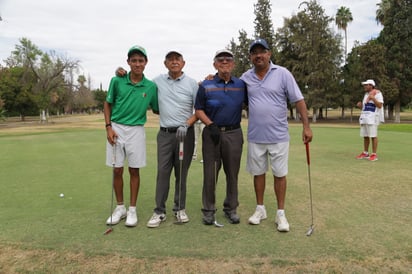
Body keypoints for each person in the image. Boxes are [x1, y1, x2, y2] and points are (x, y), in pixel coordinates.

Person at [116, 50, 199, 228]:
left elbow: (198, 111)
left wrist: (187, 123)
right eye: (170, 60)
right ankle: (159, 211)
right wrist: (121, 72)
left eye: (177, 59)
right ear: (165, 64)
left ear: (183, 63)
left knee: (181, 173)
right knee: (163, 173)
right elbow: (139, 83)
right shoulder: (156, 82)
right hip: (165, 134)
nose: (174, 62)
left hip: (186, 134)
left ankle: (179, 209)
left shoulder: (192, 84)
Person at [240, 38, 313, 232]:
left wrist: (306, 126)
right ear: (250, 57)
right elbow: (230, 90)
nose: (258, 55)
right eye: (254, 53)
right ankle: (260, 209)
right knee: (258, 173)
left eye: (262, 51)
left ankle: (280, 213)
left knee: (280, 174)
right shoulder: (246, 77)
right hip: (256, 136)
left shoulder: (282, 74)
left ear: (269, 53)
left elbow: (298, 100)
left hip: (279, 136)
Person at [104, 45, 159, 227]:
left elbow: (158, 108)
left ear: (146, 63)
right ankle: (120, 208)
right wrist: (108, 127)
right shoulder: (116, 80)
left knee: (134, 170)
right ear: (128, 62)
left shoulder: (151, 86)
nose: (137, 63)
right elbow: (107, 104)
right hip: (117, 128)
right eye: (133, 60)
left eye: (140, 60)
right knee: (117, 169)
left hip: (136, 130)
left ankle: (132, 210)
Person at [195, 49, 247, 225]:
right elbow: (199, 110)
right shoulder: (206, 85)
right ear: (215, 64)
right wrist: (210, 124)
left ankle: (230, 208)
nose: (224, 62)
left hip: (234, 133)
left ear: (233, 64)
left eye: (228, 59)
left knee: (232, 174)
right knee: (210, 173)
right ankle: (208, 210)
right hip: (212, 133)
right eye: (220, 59)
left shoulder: (241, 85)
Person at [355, 79, 384, 161]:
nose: (364, 86)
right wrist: (360, 106)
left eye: (366, 85)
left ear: (371, 85)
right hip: (365, 117)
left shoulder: (378, 93)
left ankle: (374, 154)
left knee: (373, 136)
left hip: (373, 118)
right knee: (365, 136)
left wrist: (373, 98)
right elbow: (365, 108)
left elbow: (380, 105)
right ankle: (365, 153)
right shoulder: (366, 94)